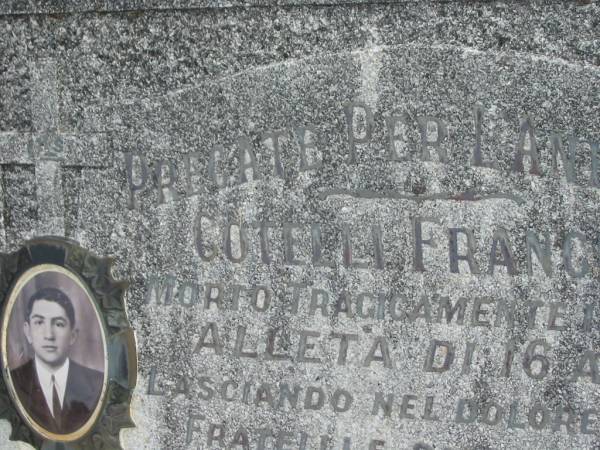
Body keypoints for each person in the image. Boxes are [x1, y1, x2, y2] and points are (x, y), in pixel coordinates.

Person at [10, 288, 103, 435]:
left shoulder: (97, 382)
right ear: (28, 332)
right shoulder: (14, 381)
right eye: (39, 322)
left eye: (59, 324)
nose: (49, 335)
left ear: (73, 335)